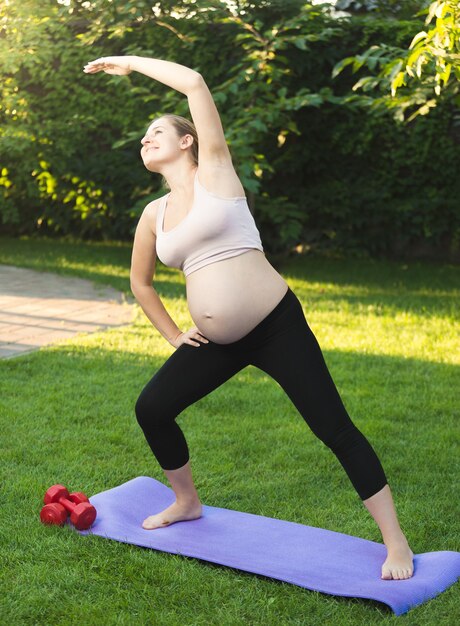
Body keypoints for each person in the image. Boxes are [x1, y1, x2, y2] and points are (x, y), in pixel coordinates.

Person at [83, 55, 414, 580]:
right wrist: (172, 334)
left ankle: (396, 544)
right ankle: (186, 501)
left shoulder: (216, 169)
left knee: (334, 428)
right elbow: (140, 282)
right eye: (143, 136)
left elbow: (194, 81)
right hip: (217, 342)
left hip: (277, 326)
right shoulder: (154, 214)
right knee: (153, 408)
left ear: (187, 141)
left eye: (156, 132)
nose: (145, 140)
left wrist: (128, 63)